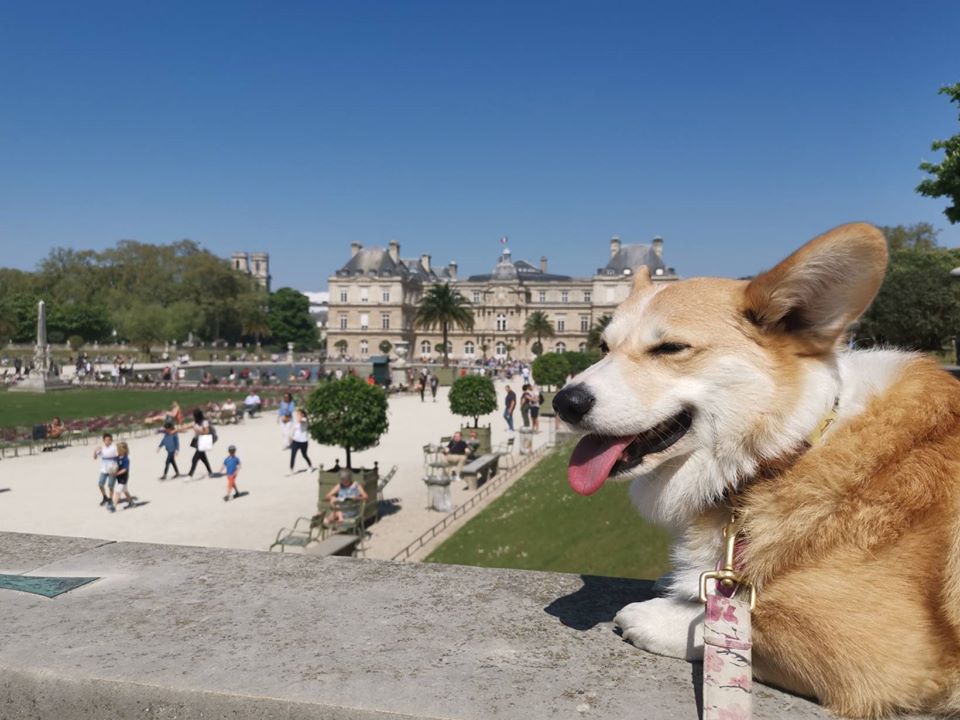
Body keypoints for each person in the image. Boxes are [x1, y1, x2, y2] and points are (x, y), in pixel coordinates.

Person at [93, 433, 119, 511]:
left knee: (110, 485)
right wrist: (95, 450)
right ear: (103, 441)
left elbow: (119, 456)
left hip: (112, 469)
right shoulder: (102, 448)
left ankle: (110, 499)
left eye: (109, 440)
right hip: (104, 470)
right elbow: (95, 457)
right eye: (106, 440)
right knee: (100, 484)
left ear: (111, 440)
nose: (107, 441)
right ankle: (105, 497)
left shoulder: (114, 448)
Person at [188, 408, 214, 479]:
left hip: (203, 442)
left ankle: (190, 475)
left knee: (194, 459)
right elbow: (188, 426)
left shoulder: (204, 422)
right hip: (198, 442)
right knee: (203, 458)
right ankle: (210, 472)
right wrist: (177, 429)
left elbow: (206, 431)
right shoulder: (195, 422)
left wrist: (198, 430)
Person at [111, 442, 134, 509]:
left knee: (118, 491)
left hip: (124, 478)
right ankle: (131, 503)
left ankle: (114, 506)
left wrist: (117, 473)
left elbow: (125, 469)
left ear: (123, 450)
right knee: (125, 491)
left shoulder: (126, 459)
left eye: (118, 449)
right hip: (119, 478)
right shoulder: (117, 458)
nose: (117, 451)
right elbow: (113, 463)